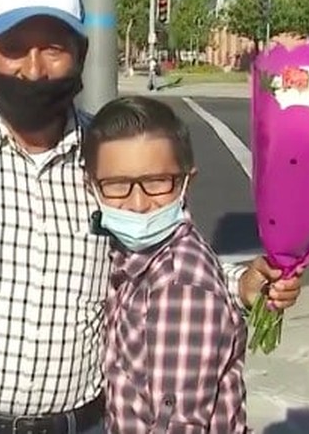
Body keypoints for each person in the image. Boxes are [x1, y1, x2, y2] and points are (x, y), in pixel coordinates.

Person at [0, 0, 302, 433]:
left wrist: (238, 284)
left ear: (81, 53)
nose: (33, 69)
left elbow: (161, 251)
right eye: (13, 48)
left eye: (53, 48)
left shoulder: (111, 157)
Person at [83, 96, 248, 433]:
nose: (139, 203)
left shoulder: (180, 290)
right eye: (117, 186)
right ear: (93, 187)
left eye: (158, 182)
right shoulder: (136, 255)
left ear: (188, 181)